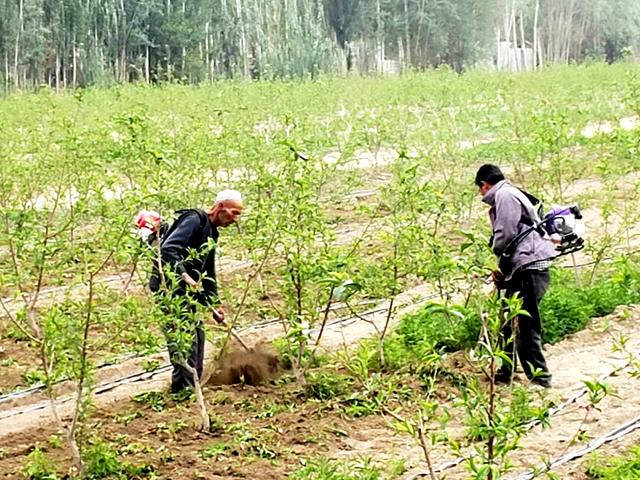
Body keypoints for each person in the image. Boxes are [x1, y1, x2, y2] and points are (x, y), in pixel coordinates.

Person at [150, 189, 243, 393]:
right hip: (170, 287)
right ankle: (183, 390)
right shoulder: (194, 219)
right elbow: (168, 249)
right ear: (220, 208)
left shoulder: (212, 232)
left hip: (185, 290)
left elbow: (209, 268)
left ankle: (193, 386)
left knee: (198, 335)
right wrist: (184, 275)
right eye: (234, 213)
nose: (235, 219)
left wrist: (214, 303)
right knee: (184, 337)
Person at [475, 164, 556, 387]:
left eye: (480, 189)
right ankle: (505, 373)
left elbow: (506, 234)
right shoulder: (509, 192)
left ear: (484, 185)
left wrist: (496, 250)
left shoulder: (504, 195)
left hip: (529, 266)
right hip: (522, 266)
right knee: (507, 324)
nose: (481, 194)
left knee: (524, 325)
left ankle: (541, 380)